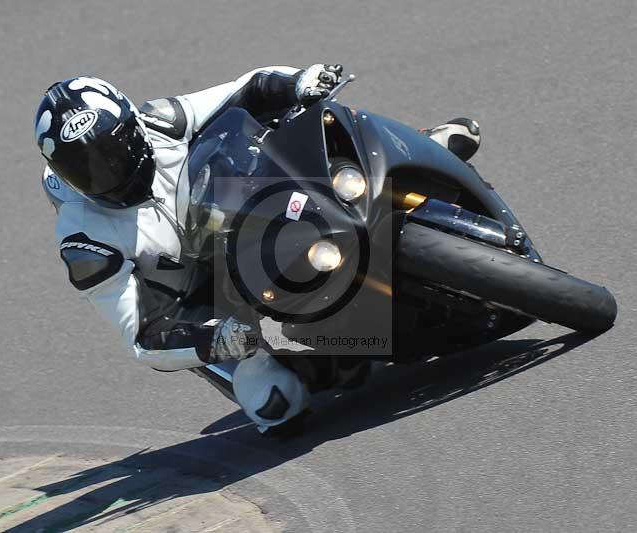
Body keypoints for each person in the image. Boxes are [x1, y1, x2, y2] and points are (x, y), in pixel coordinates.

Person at [34, 65, 480, 435]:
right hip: (200, 293)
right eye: (86, 169)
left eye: (112, 152)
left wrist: (299, 81)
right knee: (275, 405)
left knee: (316, 131)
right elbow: (142, 337)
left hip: (237, 217)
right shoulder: (85, 243)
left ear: (132, 125)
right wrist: (213, 339)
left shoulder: (163, 121)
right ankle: (326, 361)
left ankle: (419, 144)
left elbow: (248, 89)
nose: (106, 173)